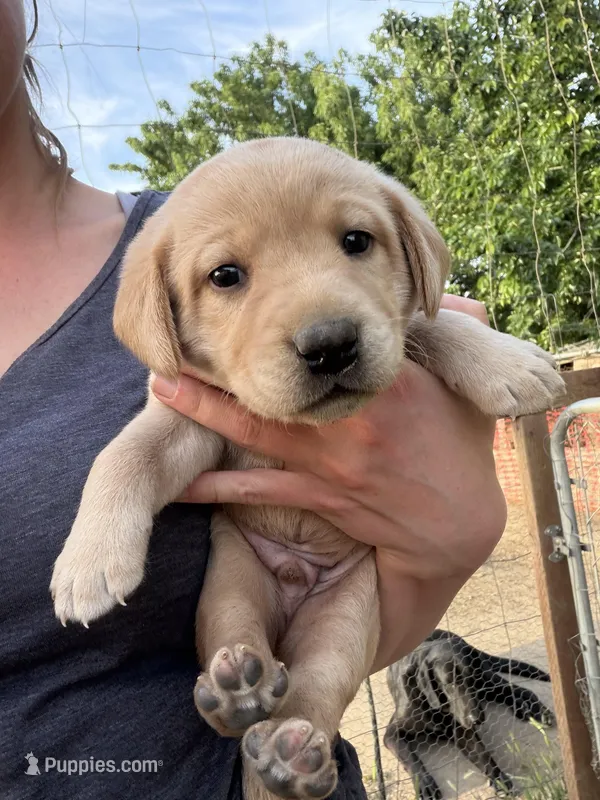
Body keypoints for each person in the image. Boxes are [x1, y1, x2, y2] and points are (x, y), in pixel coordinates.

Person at [0, 0, 507, 797]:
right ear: (159, 318)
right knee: (234, 605)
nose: (321, 323)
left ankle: (299, 726)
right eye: (228, 277)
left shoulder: (178, 223)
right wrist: (112, 502)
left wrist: (457, 522)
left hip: (342, 587)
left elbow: (426, 324)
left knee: (325, 654)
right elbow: (161, 438)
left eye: (355, 240)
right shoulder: (166, 275)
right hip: (250, 563)